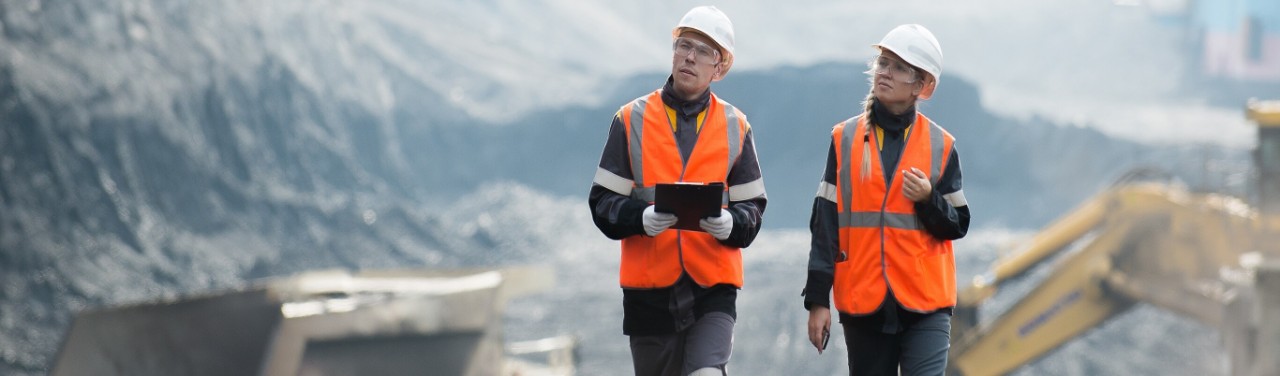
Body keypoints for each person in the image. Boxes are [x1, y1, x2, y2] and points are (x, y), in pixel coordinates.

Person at [587, 6, 766, 376]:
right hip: (649, 294)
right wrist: (640, 219)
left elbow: (753, 208)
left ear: (720, 68)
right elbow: (602, 202)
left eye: (703, 51)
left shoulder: (737, 126)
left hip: (713, 288)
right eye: (684, 45)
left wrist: (732, 223)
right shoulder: (630, 119)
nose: (689, 56)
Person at [801, 24, 969, 375]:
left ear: (922, 86)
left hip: (926, 305)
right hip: (865, 305)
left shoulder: (942, 145)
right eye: (882, 62)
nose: (885, 73)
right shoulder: (843, 139)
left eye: (898, 67)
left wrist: (928, 199)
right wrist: (818, 300)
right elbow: (825, 226)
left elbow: (958, 223)